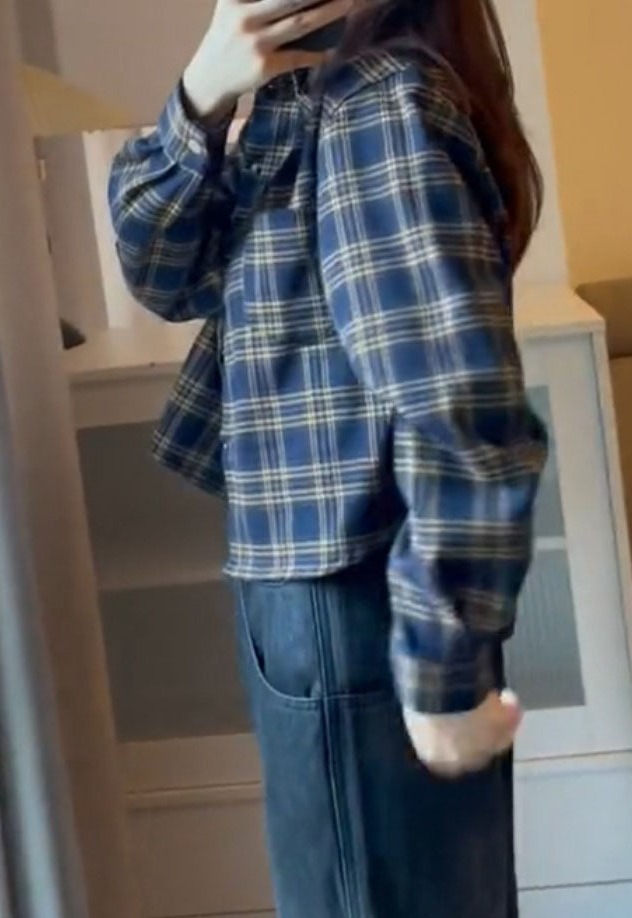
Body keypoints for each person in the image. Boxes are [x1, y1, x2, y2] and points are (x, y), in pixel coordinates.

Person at [108, 0, 548, 915]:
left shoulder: (373, 104)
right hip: (318, 597)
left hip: (353, 603)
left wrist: (443, 664)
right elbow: (162, 272)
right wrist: (200, 95)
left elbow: (458, 404)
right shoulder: (297, 99)